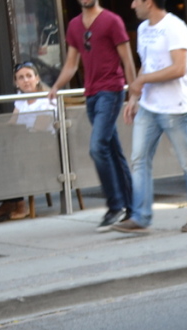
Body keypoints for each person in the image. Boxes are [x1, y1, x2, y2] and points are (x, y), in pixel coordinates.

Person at [113, 0, 187, 234]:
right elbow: (146, 66)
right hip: (148, 106)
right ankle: (141, 216)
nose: (133, 4)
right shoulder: (143, 28)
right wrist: (134, 98)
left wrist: (142, 81)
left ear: (149, 2)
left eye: (137, 0)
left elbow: (178, 68)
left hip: (174, 107)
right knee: (138, 159)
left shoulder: (175, 27)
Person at [49, 0, 138, 230]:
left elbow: (127, 61)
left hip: (111, 91)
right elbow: (71, 64)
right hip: (91, 95)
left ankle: (115, 206)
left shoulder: (112, 21)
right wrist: (55, 86)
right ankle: (132, 205)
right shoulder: (74, 26)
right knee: (112, 149)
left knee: (97, 147)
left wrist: (134, 95)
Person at [0, 61, 53, 220]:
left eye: (29, 76)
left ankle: (21, 204)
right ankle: (9, 201)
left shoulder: (46, 99)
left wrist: (17, 136)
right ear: (16, 82)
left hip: (44, 145)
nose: (25, 80)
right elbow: (13, 122)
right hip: (22, 142)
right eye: (21, 78)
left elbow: (40, 128)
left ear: (37, 78)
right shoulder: (20, 99)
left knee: (11, 157)